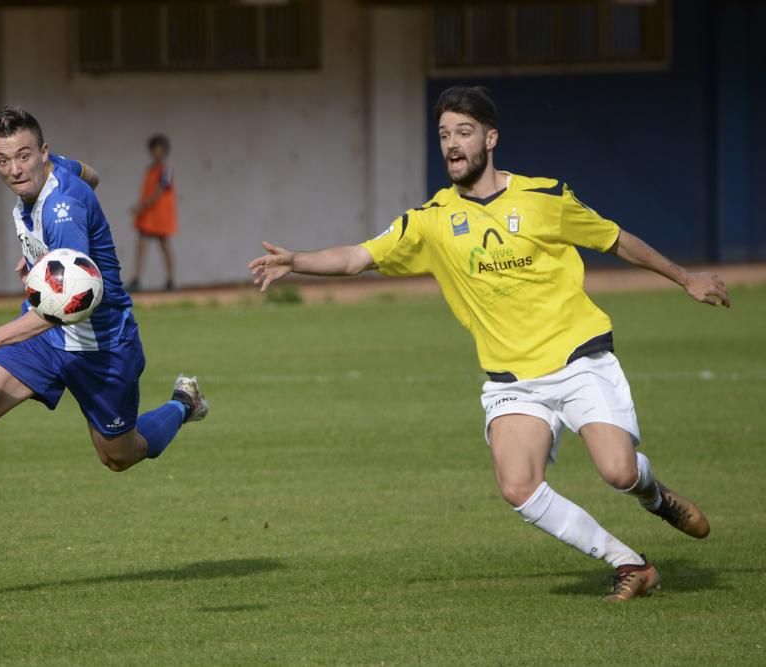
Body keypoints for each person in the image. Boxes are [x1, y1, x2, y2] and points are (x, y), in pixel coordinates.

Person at [249, 85, 730, 603]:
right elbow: (356, 258)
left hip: (577, 358)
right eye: (443, 135)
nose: (452, 144)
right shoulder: (431, 221)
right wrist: (296, 260)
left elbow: (615, 238)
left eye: (463, 132)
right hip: (512, 380)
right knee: (517, 486)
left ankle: (653, 495)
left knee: (617, 471)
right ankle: (629, 563)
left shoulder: (544, 198)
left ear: (490, 137)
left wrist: (685, 278)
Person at [0, 107, 209, 584]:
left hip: (101, 346)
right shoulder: (58, 170)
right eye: (3, 160)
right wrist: (38, 257)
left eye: (24, 156)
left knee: (120, 454)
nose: (15, 169)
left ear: (42, 152)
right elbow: (93, 173)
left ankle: (183, 404)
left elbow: (67, 305)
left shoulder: (61, 209)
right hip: (48, 341)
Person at [126, 134, 178, 292]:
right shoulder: (150, 170)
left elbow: (159, 192)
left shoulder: (166, 170)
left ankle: (170, 279)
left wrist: (141, 207)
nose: (157, 153)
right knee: (141, 247)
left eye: (160, 150)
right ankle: (137, 278)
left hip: (160, 215)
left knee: (164, 246)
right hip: (148, 215)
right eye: (154, 150)